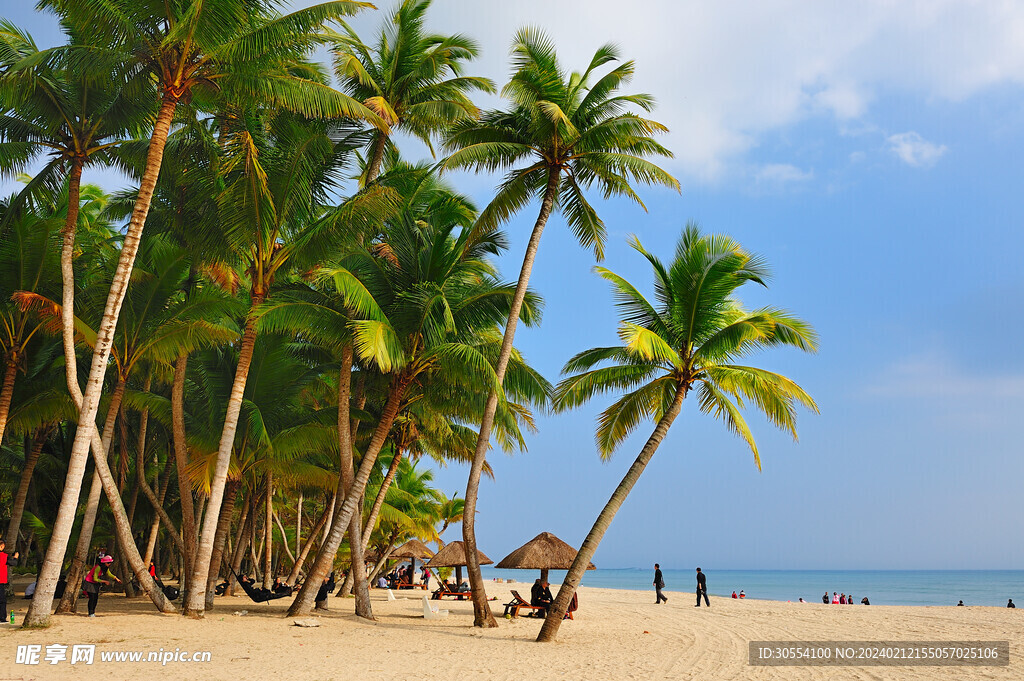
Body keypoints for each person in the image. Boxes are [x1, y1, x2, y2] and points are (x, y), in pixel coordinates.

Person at [0, 540, 19, 623]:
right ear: (2, 546)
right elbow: (13, 563)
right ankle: (2, 617)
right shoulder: (3, 556)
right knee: (2, 600)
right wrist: (15, 557)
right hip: (0, 581)